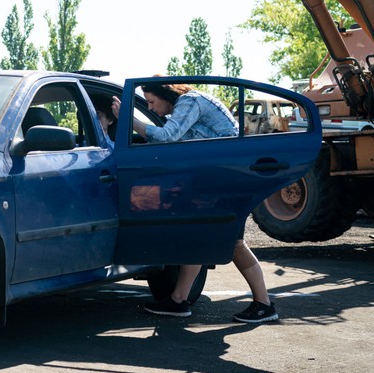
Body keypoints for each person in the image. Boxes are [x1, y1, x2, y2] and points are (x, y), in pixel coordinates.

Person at [112, 79, 278, 324]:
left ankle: (264, 304)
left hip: (225, 178)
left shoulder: (189, 101)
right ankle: (178, 300)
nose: (150, 107)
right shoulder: (183, 109)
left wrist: (131, 121)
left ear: (165, 95)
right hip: (215, 178)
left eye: (151, 102)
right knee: (199, 239)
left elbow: (168, 137)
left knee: (235, 244)